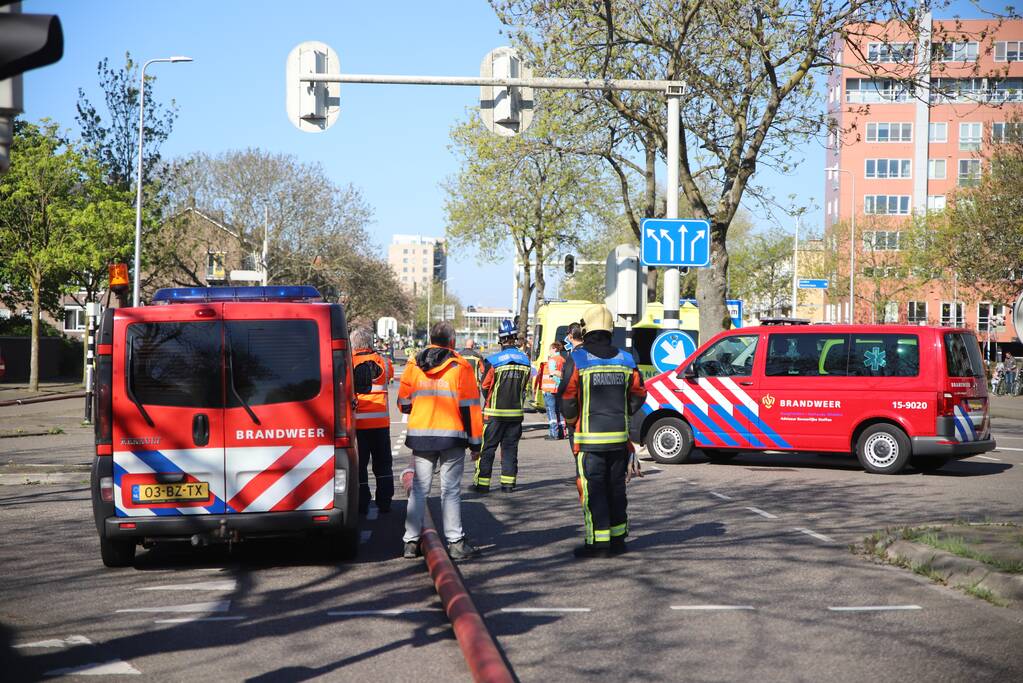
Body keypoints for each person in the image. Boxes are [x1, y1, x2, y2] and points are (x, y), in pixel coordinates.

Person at [560, 304, 646, 559]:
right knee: (616, 488)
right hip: (619, 440)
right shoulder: (626, 359)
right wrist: (624, 412)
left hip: (589, 441)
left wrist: (574, 421)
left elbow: (567, 397)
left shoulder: (577, 359)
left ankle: (597, 545)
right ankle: (618, 540)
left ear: (585, 330)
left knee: (593, 490)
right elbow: (639, 392)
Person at [397, 321, 482, 561]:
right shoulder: (460, 367)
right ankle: (455, 542)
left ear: (431, 338)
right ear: (452, 342)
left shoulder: (414, 364)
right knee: (450, 491)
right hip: (452, 437)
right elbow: (471, 409)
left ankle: (410, 543)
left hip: (421, 436)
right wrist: (476, 444)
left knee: (419, 490)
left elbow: (404, 402)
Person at [474, 319, 532, 493]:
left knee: (488, 449)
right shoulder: (525, 360)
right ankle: (508, 484)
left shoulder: (492, 360)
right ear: (514, 337)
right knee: (510, 449)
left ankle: (483, 484)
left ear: (500, 339)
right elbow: (525, 386)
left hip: (494, 414)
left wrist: (490, 399)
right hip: (515, 414)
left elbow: (484, 386)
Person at [351, 327, 395, 514]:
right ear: (370, 343)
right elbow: (390, 375)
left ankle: (362, 502)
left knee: (360, 467)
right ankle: (384, 501)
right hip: (380, 424)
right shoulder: (384, 362)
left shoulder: (348, 363)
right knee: (383, 464)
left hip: (357, 425)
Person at [556, 323, 586, 448]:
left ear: (570, 336)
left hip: (578, 416)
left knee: (580, 457)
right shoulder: (590, 353)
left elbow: (567, 390)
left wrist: (570, 419)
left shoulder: (574, 356)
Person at [536, 341, 567, 440]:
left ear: (554, 349)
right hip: (559, 389)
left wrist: (556, 382)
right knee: (559, 411)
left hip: (550, 389)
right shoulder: (563, 359)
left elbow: (553, 373)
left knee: (551, 412)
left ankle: (554, 434)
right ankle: (562, 432)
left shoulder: (552, 360)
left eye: (550, 349)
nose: (549, 351)